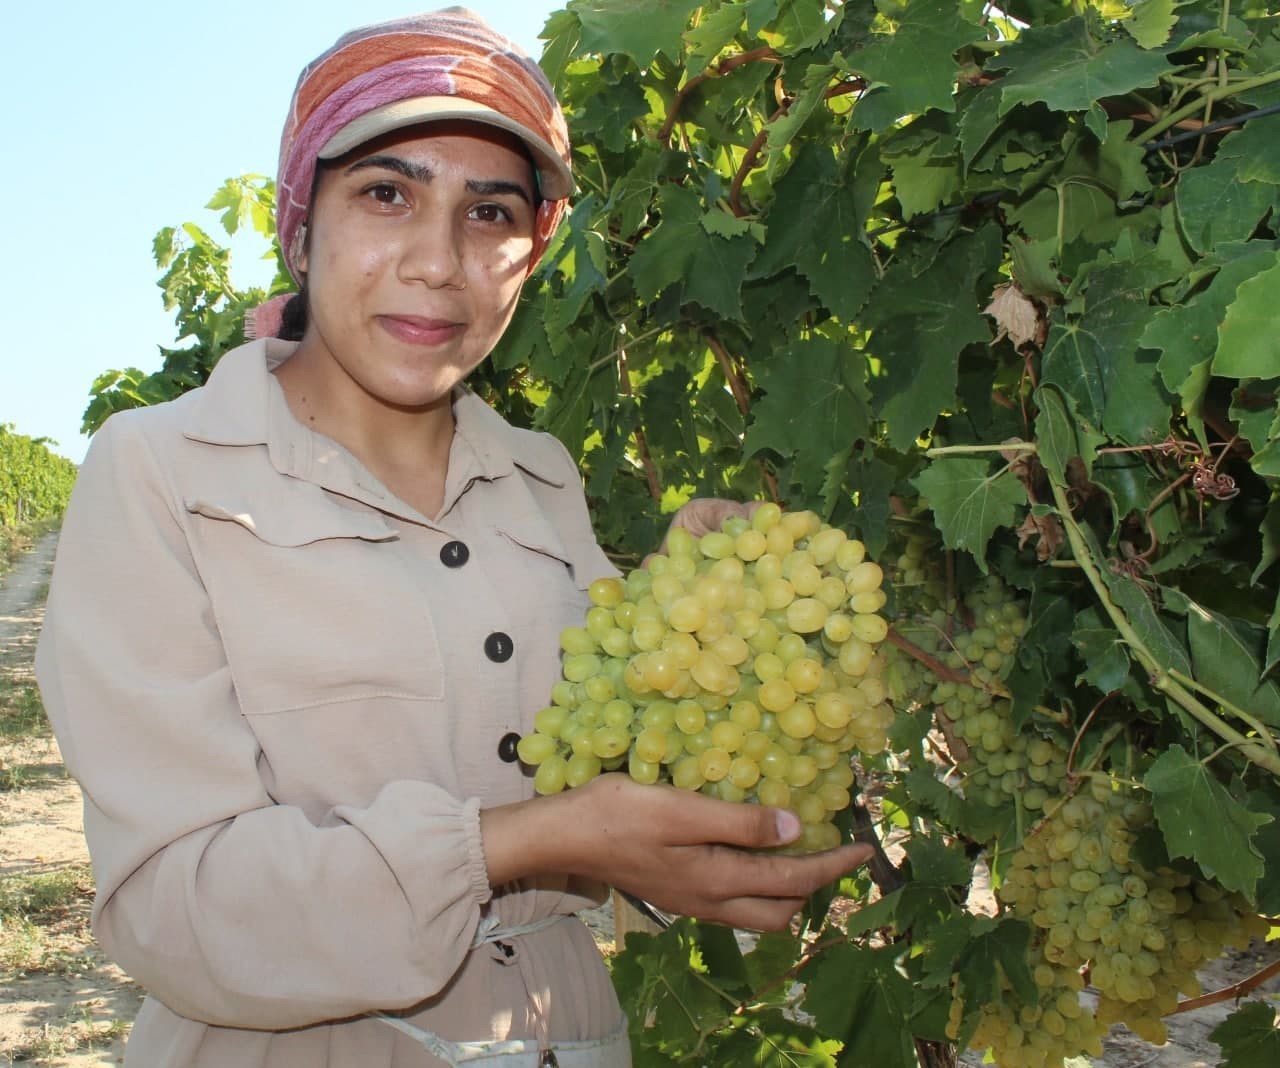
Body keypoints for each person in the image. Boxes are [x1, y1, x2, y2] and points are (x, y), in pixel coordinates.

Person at [35, 9, 872, 1067]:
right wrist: (529, 843)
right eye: (388, 193)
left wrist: (687, 614)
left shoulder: (542, 480)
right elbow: (172, 913)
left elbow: (603, 764)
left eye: (490, 214)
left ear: (533, 252)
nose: (438, 261)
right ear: (301, 225)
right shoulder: (162, 470)